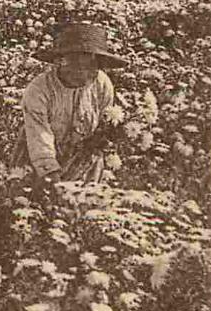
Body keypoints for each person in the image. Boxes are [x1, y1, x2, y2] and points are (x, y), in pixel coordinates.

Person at [9, 23, 127, 189]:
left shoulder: (102, 84)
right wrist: (50, 175)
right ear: (61, 62)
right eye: (77, 66)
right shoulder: (39, 89)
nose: (85, 73)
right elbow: (39, 134)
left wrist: (101, 144)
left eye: (91, 67)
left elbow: (105, 124)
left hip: (83, 158)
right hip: (37, 158)